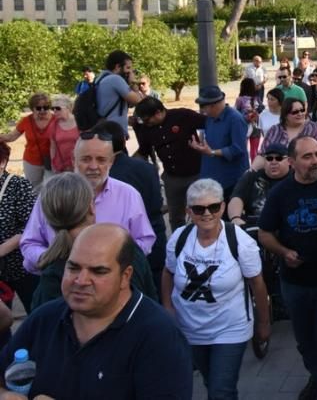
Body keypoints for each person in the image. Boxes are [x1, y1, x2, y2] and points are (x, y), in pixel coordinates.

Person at [0, 224, 192, 399]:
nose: (81, 280)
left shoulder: (160, 338)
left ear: (125, 276)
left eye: (98, 271)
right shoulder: (44, 318)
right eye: (73, 267)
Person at [257, 136, 317, 400]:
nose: (315, 161)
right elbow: (265, 233)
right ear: (292, 162)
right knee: (305, 341)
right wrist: (284, 252)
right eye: (307, 156)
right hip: (295, 283)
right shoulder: (280, 193)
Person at [163, 179, 270, 400]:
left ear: (222, 207)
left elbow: (257, 283)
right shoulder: (179, 238)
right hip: (189, 328)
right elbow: (168, 273)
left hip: (230, 328)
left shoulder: (239, 241)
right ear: (188, 211)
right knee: (211, 381)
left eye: (213, 207)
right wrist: (167, 306)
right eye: (199, 208)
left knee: (221, 391)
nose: (207, 213)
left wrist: (263, 323)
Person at [20, 133, 155, 274]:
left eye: (101, 160)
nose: (93, 166)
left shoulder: (129, 195)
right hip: (58, 283)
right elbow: (30, 243)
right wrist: (54, 261)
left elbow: (145, 240)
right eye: (86, 159)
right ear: (74, 160)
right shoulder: (51, 194)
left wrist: (110, 263)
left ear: (111, 162)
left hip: (113, 286)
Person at [29, 172, 156, 311]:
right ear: (91, 207)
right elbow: (152, 302)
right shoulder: (127, 249)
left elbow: (42, 327)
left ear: (47, 216)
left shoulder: (51, 276)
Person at [88, 120, 167, 279]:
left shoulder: (104, 177)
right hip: (155, 236)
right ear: (124, 140)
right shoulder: (147, 168)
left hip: (122, 250)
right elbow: (157, 202)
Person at [132, 96, 205, 230]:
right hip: (172, 178)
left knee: (201, 213)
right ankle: (178, 244)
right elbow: (143, 151)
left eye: (148, 120)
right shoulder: (147, 129)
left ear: (158, 112)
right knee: (176, 217)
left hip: (196, 174)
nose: (147, 124)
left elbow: (209, 123)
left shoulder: (183, 116)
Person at [0, 142, 37, 311]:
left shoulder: (18, 185)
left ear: (2, 162)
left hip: (21, 267)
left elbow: (30, 227)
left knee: (36, 311)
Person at [254, 97, 317, 171]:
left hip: (309, 174)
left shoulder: (314, 128)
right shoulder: (274, 130)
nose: (300, 114)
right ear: (285, 115)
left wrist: (316, 169)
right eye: (295, 112)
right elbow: (262, 154)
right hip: (279, 176)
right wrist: (251, 171)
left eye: (302, 110)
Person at [227, 142, 292, 226]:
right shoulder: (251, 176)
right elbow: (236, 197)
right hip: (254, 225)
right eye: (269, 158)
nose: (273, 162)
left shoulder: (296, 177)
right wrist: (235, 218)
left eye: (279, 158)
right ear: (264, 161)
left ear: (289, 161)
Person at [0, 93, 54, 191]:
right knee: (33, 189)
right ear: (32, 108)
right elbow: (11, 137)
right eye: (38, 108)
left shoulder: (56, 119)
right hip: (31, 161)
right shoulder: (26, 121)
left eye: (46, 107)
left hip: (53, 161)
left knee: (52, 188)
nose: (42, 110)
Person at [45, 94, 79, 173]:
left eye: (58, 108)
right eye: (53, 109)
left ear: (68, 108)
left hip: (79, 165)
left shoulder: (80, 122)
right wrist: (53, 164)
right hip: (61, 166)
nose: (55, 111)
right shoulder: (53, 125)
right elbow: (52, 147)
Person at [235, 77, 262, 161]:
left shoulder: (240, 99)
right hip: (257, 125)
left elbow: (236, 113)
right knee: (254, 151)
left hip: (244, 126)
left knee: (243, 149)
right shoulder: (257, 98)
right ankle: (254, 170)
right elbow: (261, 110)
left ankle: (245, 168)